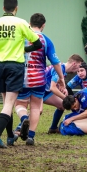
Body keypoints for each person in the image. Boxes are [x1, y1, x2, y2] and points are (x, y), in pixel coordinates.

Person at [0, 0, 46, 148]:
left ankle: (10, 136)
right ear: (16, 8)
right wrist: (24, 49)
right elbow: (37, 43)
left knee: (7, 102)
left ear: (3, 8)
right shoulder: (22, 23)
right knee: (9, 103)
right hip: (16, 66)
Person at [13, 13, 65, 145]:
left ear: (29, 24)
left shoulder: (21, 37)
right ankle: (30, 136)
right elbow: (55, 62)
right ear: (43, 26)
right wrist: (61, 77)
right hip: (39, 79)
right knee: (36, 108)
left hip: (22, 77)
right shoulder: (46, 40)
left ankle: (24, 118)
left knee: (20, 104)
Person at [43, 54, 83, 134]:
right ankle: (19, 128)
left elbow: (55, 82)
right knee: (36, 110)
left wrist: (63, 88)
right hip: (39, 90)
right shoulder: (60, 69)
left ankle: (53, 128)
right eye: (78, 67)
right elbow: (52, 88)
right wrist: (66, 98)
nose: (78, 70)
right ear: (74, 64)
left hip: (45, 91)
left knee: (61, 106)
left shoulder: (62, 68)